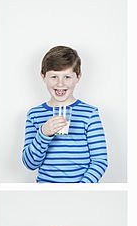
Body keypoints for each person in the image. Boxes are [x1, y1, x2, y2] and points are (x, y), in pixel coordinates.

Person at [22, 46, 107, 183]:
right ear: (43, 77)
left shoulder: (90, 114)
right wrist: (43, 133)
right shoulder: (34, 115)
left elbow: (100, 161)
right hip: (45, 191)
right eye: (54, 76)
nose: (60, 83)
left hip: (80, 193)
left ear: (78, 77)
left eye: (67, 77)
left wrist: (80, 188)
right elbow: (30, 163)